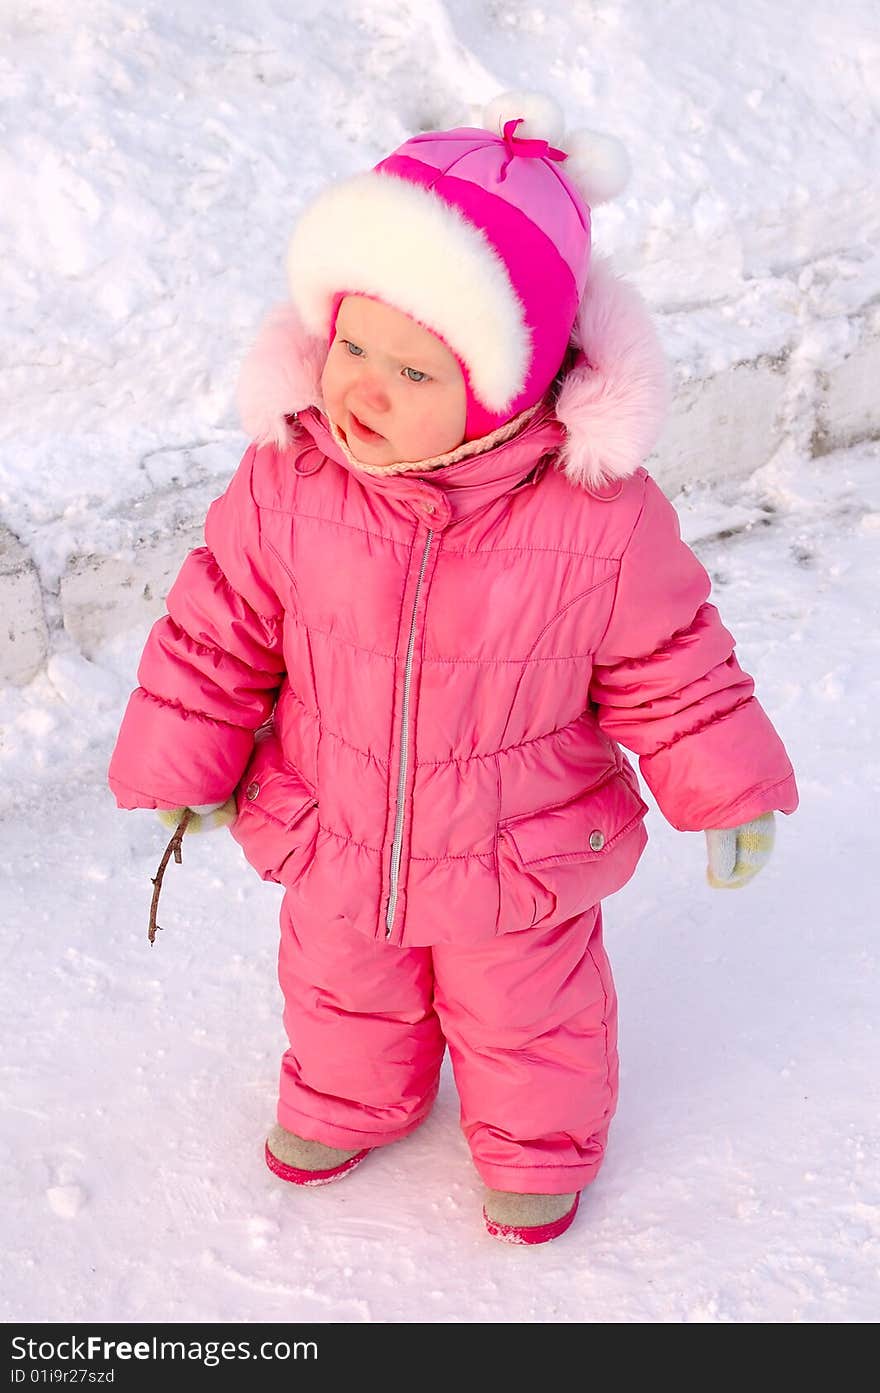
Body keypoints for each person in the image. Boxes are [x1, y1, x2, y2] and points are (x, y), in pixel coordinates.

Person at [108, 91, 798, 1245]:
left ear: (512, 381)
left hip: (515, 844)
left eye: (414, 374)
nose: (360, 389)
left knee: (531, 1015)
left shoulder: (598, 518)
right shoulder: (289, 480)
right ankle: (349, 1098)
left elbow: (672, 662)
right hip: (337, 822)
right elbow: (216, 626)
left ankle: (536, 1149)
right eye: (351, 347)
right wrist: (188, 759)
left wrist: (726, 791)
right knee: (338, 987)